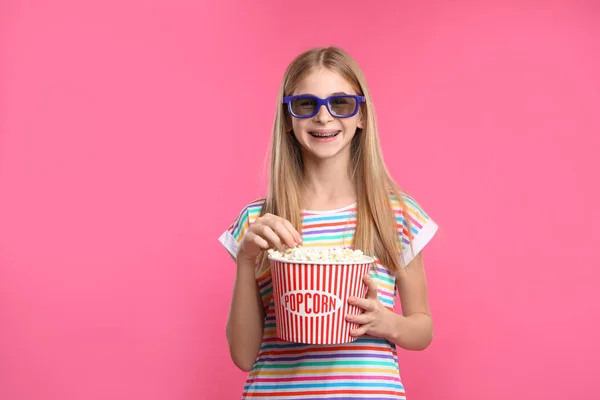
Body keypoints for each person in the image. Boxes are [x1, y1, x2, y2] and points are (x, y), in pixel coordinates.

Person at [218, 45, 439, 399]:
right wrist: (246, 259)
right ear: (288, 118)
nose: (324, 117)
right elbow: (243, 356)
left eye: (340, 103)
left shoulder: (396, 215)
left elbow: (422, 328)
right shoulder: (259, 222)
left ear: (361, 116)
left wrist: (388, 323)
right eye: (307, 104)